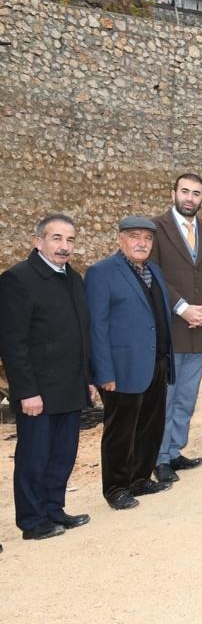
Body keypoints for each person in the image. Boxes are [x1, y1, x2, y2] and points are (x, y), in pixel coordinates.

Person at [0, 214, 92, 539]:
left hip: (70, 388)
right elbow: (13, 344)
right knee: (34, 459)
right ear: (38, 241)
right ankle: (32, 521)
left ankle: (54, 509)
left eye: (70, 240)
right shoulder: (17, 280)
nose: (64, 247)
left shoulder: (74, 278)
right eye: (56, 238)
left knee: (63, 455)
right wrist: (26, 392)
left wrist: (88, 379)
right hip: (38, 393)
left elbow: (82, 334)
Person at [85, 216, 176, 510]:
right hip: (122, 367)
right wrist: (103, 372)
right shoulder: (101, 273)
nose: (142, 243)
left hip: (156, 362)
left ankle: (139, 478)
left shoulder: (155, 272)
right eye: (134, 236)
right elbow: (96, 327)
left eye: (147, 238)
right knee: (120, 430)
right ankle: (115, 487)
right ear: (120, 239)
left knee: (151, 425)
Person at [149, 173, 202, 484]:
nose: (190, 198)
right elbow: (153, 273)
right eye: (185, 191)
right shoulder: (156, 228)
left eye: (196, 193)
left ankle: (175, 450)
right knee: (166, 396)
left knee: (187, 396)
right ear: (174, 193)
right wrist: (181, 307)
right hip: (172, 327)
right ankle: (160, 457)